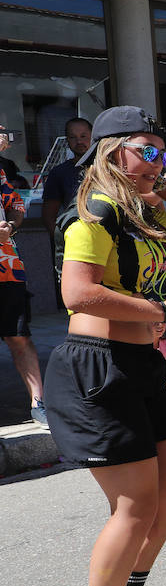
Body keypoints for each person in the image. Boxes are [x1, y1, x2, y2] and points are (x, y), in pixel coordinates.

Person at [42, 106, 166, 586]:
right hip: (98, 363)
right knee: (136, 504)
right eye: (147, 150)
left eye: (164, 152)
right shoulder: (94, 210)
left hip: (138, 364)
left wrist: (162, 180)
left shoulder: (139, 212)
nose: (157, 162)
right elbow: (77, 294)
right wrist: (163, 307)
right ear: (113, 152)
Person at [0, 167, 46, 425]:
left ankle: (38, 402)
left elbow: (15, 203)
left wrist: (11, 226)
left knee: (19, 336)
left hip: (7, 268)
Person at [41, 116, 92, 241]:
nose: (79, 141)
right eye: (73, 137)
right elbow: (49, 215)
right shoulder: (58, 173)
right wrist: (62, 244)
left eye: (83, 136)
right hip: (76, 241)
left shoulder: (109, 168)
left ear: (93, 136)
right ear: (67, 140)